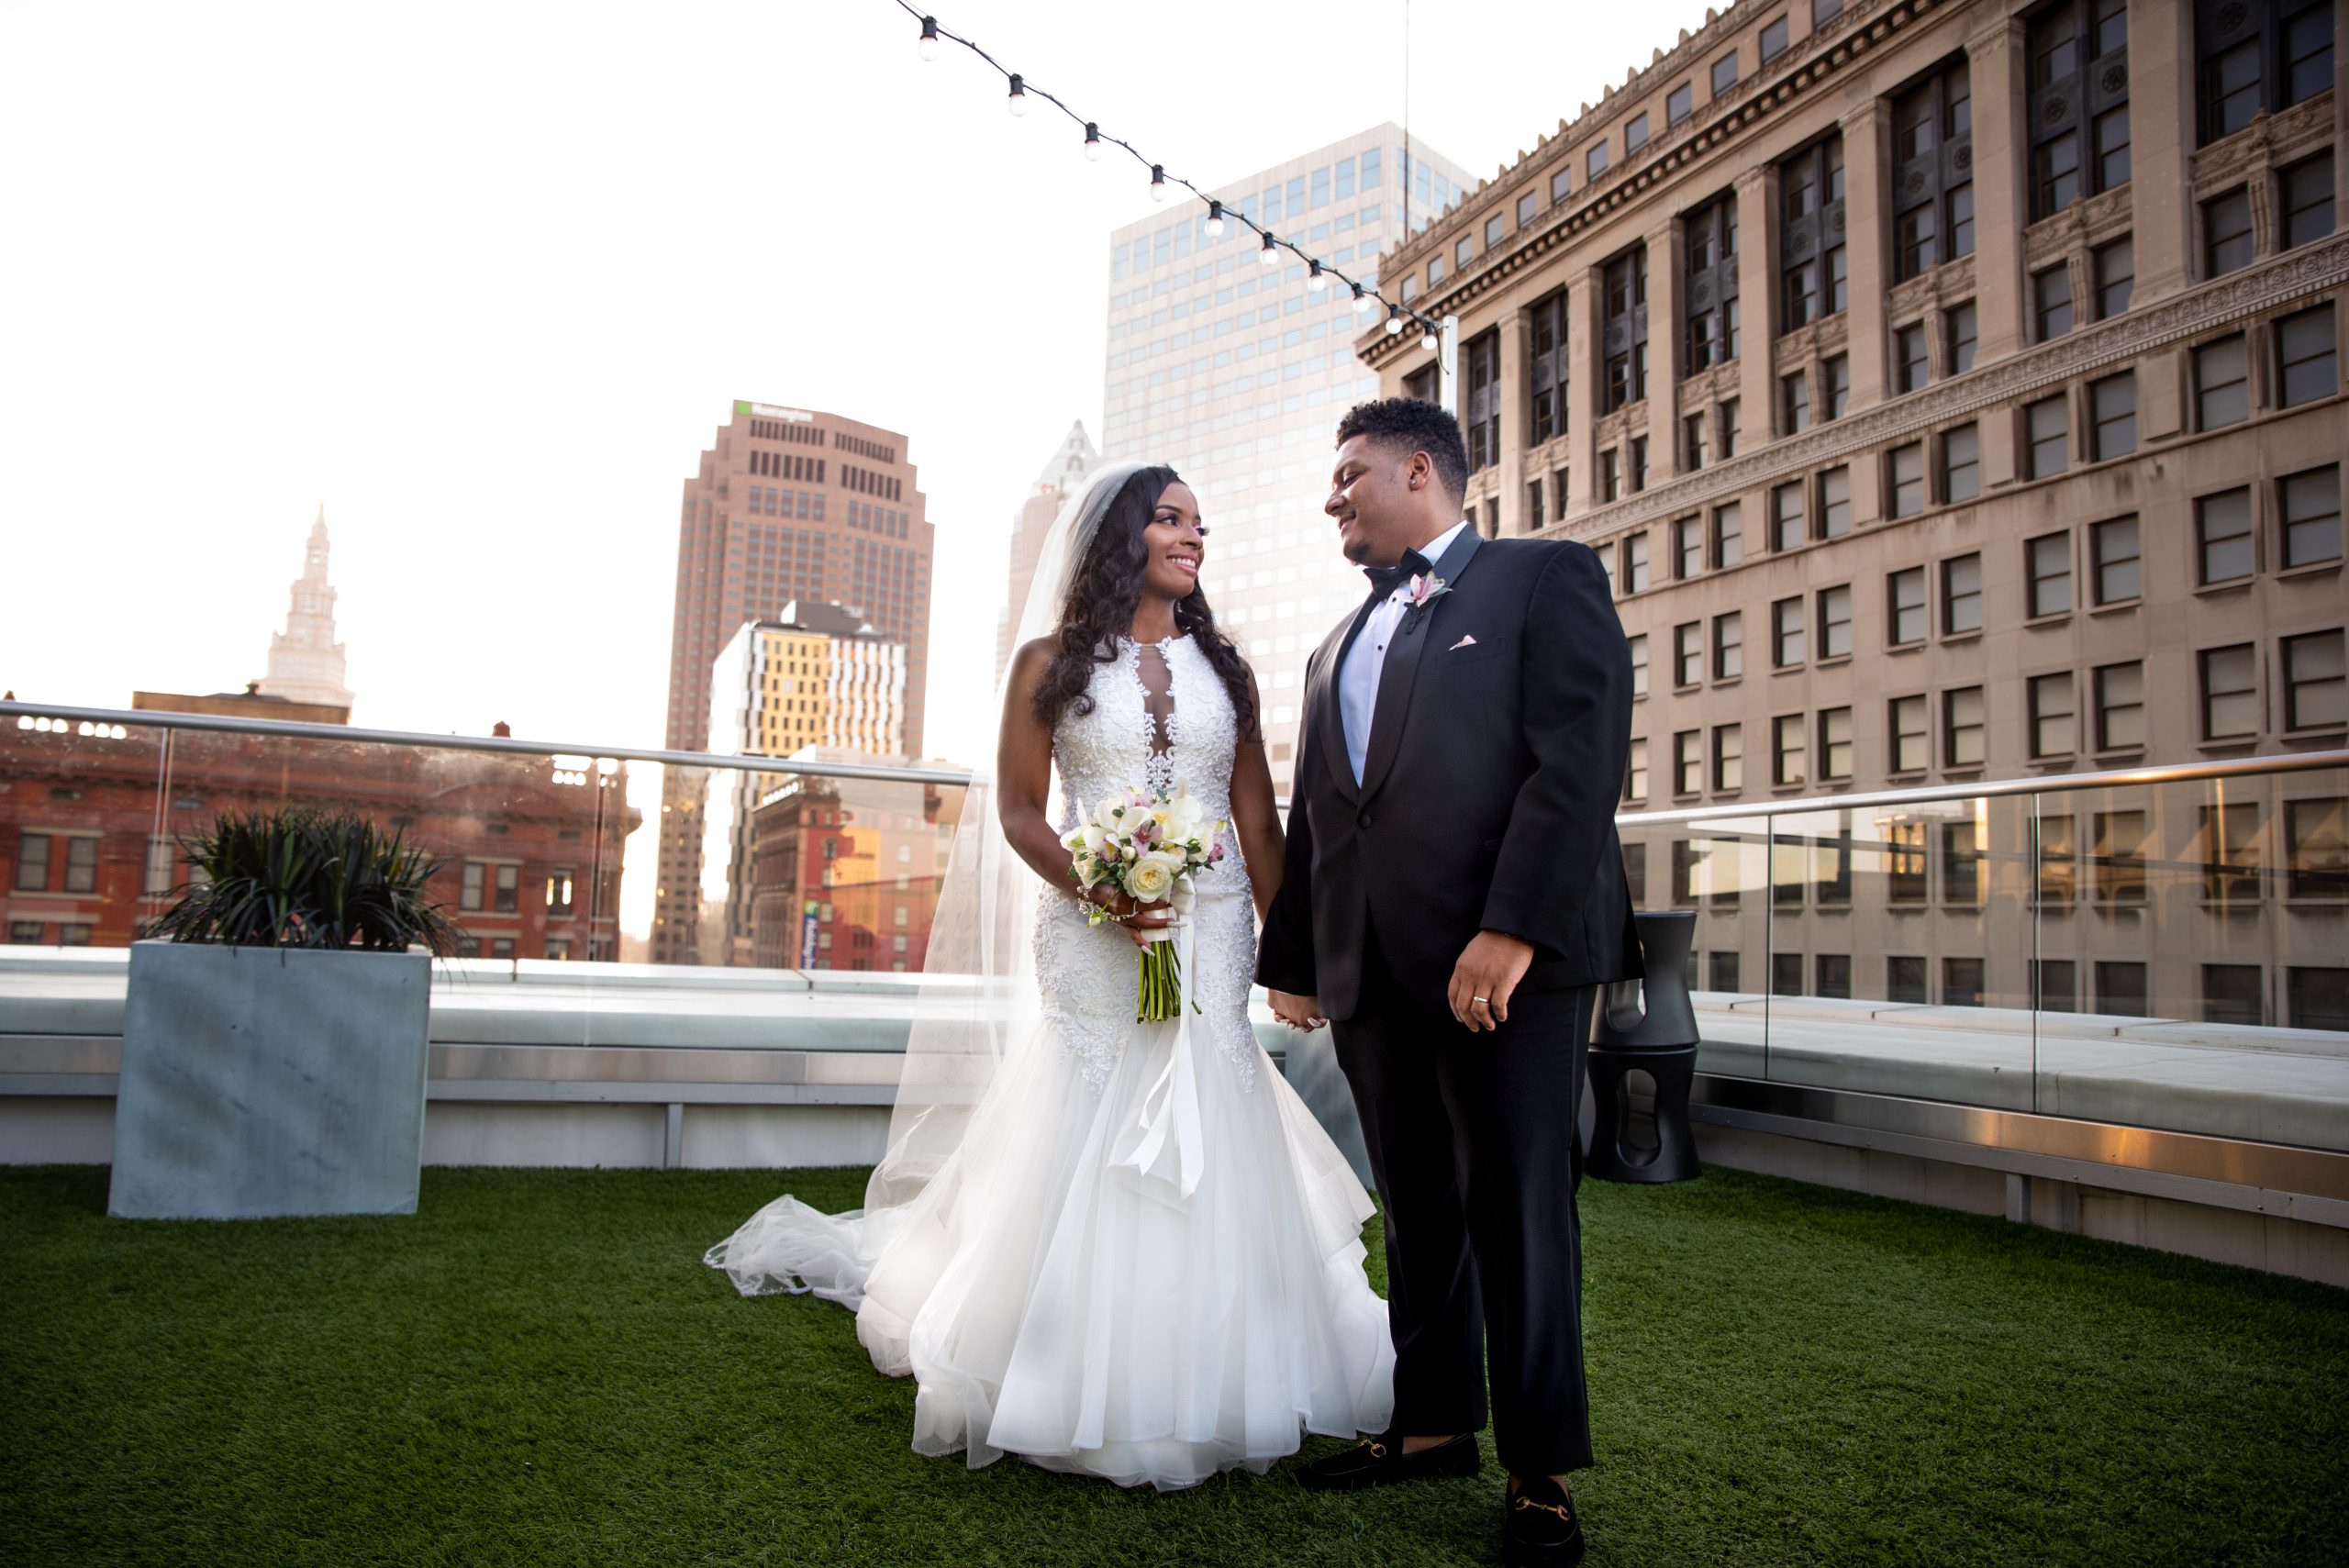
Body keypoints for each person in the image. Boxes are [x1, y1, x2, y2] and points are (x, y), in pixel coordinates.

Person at [706, 462, 1394, 1491]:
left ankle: (1225, 1359)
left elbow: (1257, 822)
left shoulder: (1230, 672)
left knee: (1215, 1097)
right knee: (1093, 1111)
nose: (1191, 537)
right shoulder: (1045, 663)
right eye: (1169, 519)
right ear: (1120, 537)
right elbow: (1023, 810)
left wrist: (1287, 952)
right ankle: (1067, 1366)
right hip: (1091, 929)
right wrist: (1103, 888)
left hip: (1208, 936)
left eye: (1199, 523)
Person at [1256, 399, 1640, 1567]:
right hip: (1370, 974)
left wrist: (1510, 930)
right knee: (1417, 1207)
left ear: (1417, 469)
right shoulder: (1331, 646)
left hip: (1504, 967)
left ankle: (1539, 1472)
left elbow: (1579, 759)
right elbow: (1323, 817)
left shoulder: (1542, 579)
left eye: (1348, 476)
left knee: (1518, 1207)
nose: (1332, 498)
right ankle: (1429, 1425)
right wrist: (1295, 962)